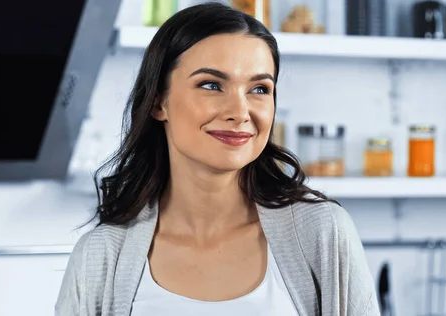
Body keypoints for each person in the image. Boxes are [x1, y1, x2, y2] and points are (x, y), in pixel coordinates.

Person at [55, 2, 379, 316]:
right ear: (158, 102)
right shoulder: (100, 256)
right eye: (211, 85)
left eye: (259, 89)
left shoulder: (321, 233)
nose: (239, 113)